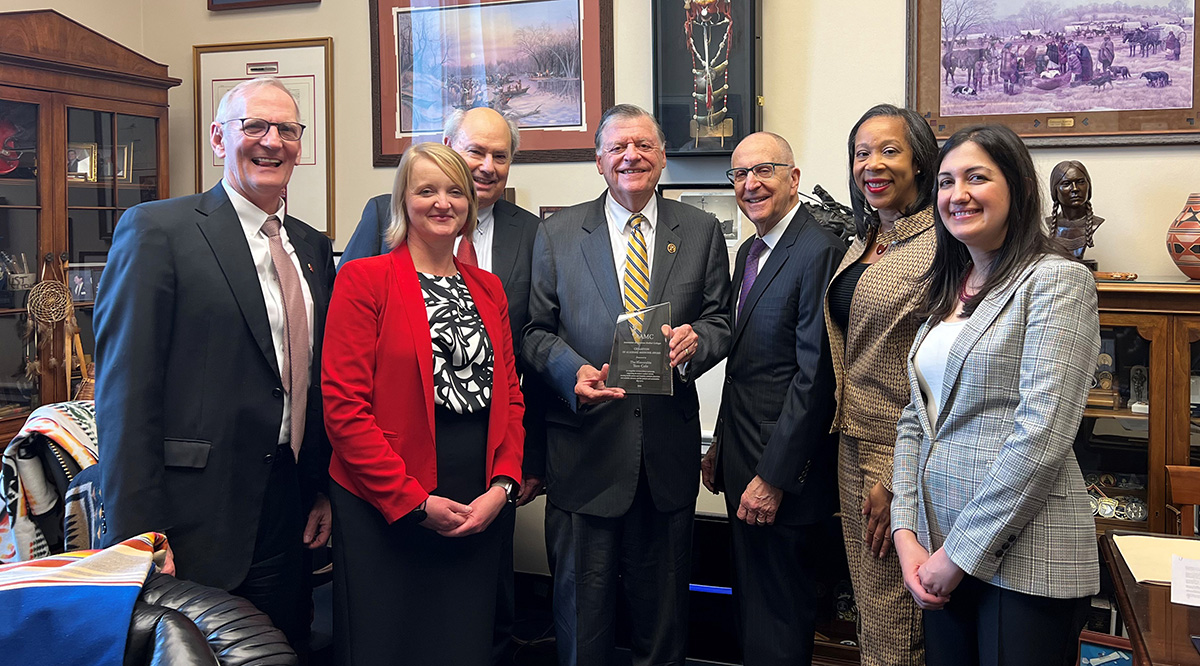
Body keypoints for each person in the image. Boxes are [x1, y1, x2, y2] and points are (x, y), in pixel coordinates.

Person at [94, 77, 335, 647]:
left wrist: (321, 486)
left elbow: (313, 379)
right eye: (255, 126)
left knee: (280, 648)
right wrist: (138, 533)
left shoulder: (312, 245)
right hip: (189, 516)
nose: (272, 141)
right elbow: (126, 392)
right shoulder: (159, 230)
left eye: (287, 130)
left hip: (288, 506)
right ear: (218, 139)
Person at [523, 103, 731, 666]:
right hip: (585, 449)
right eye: (617, 147)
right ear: (598, 161)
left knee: (663, 623)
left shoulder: (703, 229)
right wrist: (572, 374)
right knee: (581, 622)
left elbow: (721, 320)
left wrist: (697, 345)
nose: (630, 156)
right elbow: (534, 331)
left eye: (642, 145)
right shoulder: (557, 232)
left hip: (666, 457)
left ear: (663, 157)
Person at [891, 125, 1100, 666]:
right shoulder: (948, 292)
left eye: (976, 177)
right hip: (937, 551)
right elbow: (916, 420)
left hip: (1025, 557)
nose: (956, 194)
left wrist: (959, 555)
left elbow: (1042, 435)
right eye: (945, 181)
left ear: (1017, 187)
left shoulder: (1056, 280)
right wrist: (906, 532)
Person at [342, 106, 545, 663]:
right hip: (387, 498)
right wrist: (411, 501)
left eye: (455, 192)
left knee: (464, 645)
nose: (443, 203)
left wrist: (502, 486)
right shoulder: (366, 279)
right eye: (427, 190)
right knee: (394, 645)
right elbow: (344, 409)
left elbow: (510, 396)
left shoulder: (489, 288)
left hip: (474, 496)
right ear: (402, 199)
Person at [700, 132, 844, 666]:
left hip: (781, 480)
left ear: (794, 179)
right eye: (739, 174)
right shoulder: (750, 252)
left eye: (764, 170)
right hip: (743, 460)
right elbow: (744, 368)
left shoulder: (818, 250)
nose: (750, 184)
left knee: (780, 621)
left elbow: (816, 378)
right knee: (754, 615)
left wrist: (773, 477)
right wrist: (720, 445)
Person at [823, 104, 938, 666]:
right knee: (870, 604)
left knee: (895, 612)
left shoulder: (942, 247)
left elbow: (939, 375)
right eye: (862, 152)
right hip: (850, 442)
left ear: (920, 162)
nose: (873, 164)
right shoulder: (871, 239)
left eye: (890, 150)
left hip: (896, 454)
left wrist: (898, 475)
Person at [1045, 159, 1103, 264]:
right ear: (1055, 190)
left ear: (1088, 186)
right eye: (1066, 183)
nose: (1075, 189)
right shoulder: (1048, 224)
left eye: (1080, 182)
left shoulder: (1095, 223)